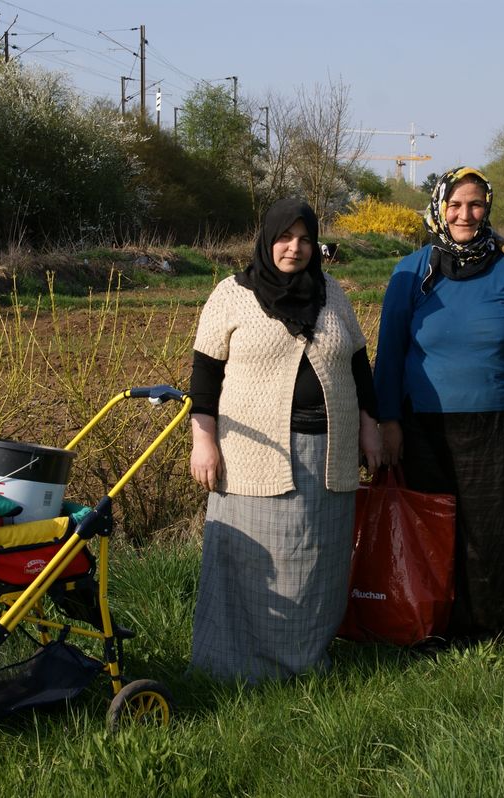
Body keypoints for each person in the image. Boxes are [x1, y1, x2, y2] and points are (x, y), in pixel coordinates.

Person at [188, 197, 382, 683]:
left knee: (319, 562)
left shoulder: (331, 293)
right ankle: (234, 669)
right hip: (254, 455)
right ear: (266, 239)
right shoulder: (231, 295)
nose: (294, 248)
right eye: (284, 237)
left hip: (329, 454)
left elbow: (359, 366)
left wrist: (370, 427)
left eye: (305, 239)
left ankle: (308, 662)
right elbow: (204, 378)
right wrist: (203, 441)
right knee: (256, 562)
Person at [374, 167, 504, 646]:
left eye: (476, 204)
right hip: (428, 430)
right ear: (440, 208)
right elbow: (390, 353)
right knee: (439, 531)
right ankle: (437, 627)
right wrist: (388, 421)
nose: (466, 214)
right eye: (456, 205)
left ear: (488, 208)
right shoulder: (411, 272)